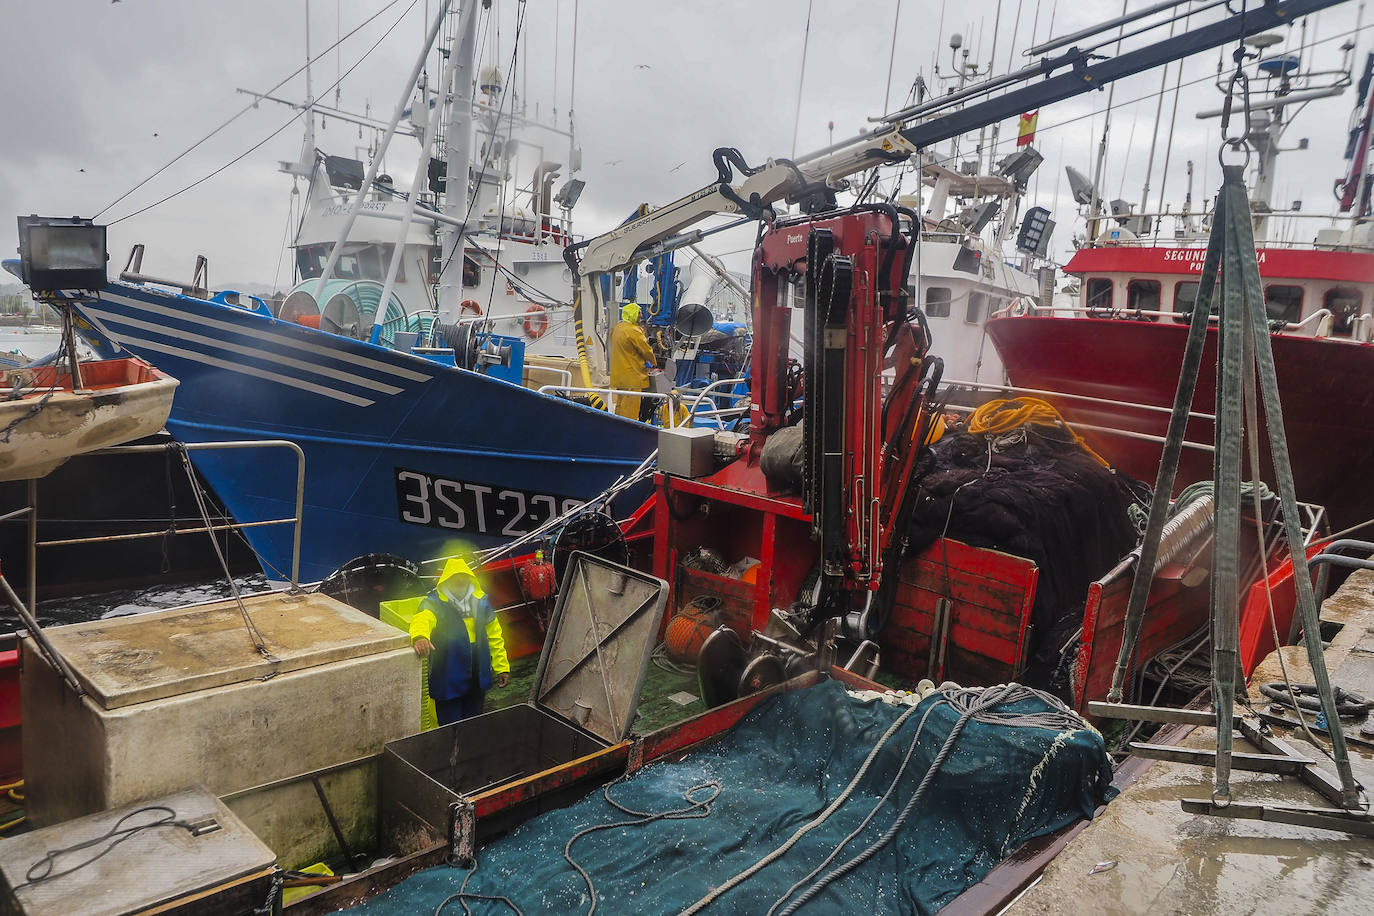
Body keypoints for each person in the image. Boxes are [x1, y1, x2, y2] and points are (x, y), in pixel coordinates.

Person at [409, 557, 510, 725]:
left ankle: (470, 750)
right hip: (447, 677)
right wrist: (420, 636)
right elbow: (422, 619)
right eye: (455, 581)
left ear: (470, 580)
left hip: (477, 679)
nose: (460, 585)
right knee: (449, 727)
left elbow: (495, 636)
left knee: (473, 725)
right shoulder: (434, 603)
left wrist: (502, 667)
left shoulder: (481, 603)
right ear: (446, 582)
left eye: (464, 581)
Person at [608, 302, 656, 421]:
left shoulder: (617, 328)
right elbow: (646, 350)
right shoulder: (633, 330)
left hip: (620, 376)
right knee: (631, 409)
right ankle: (627, 430)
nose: (641, 315)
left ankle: (617, 426)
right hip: (632, 377)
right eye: (638, 312)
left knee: (620, 405)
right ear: (632, 314)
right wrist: (654, 362)